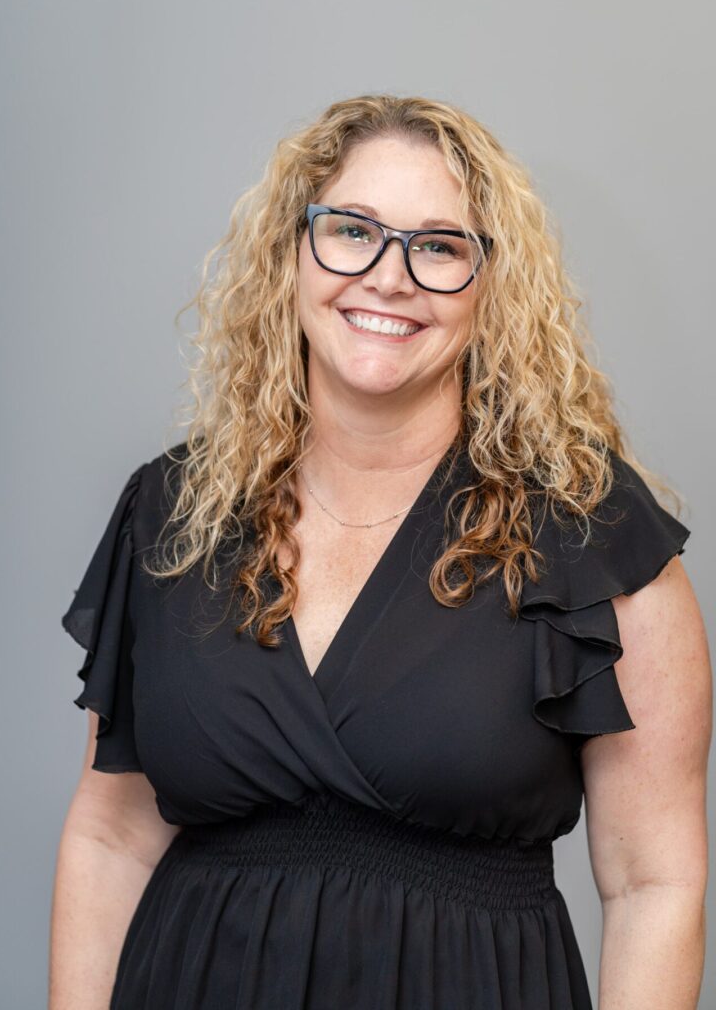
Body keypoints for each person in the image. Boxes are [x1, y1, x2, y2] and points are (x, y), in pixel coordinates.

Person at [50, 94, 711, 1010]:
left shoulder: (590, 532)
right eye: (352, 230)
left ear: (492, 287)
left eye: (438, 246)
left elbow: (653, 885)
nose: (388, 277)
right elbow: (112, 835)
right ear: (292, 252)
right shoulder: (172, 512)